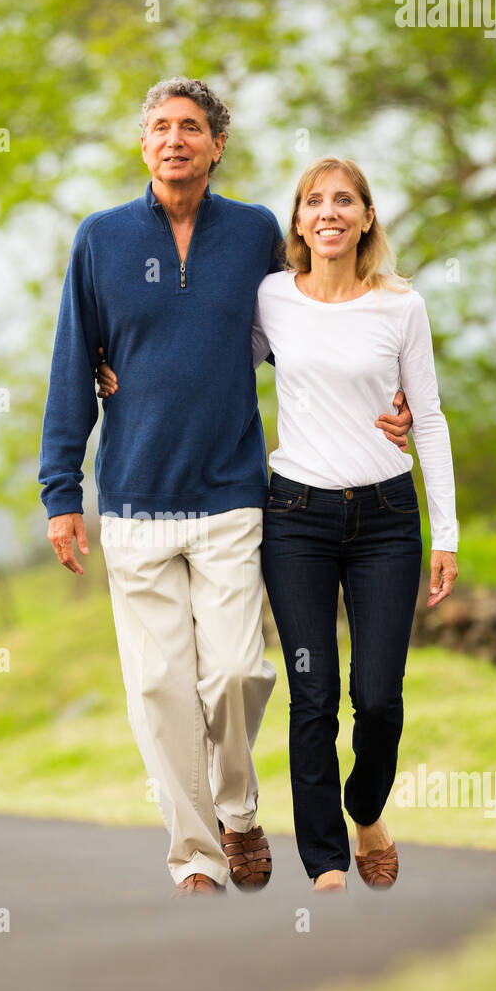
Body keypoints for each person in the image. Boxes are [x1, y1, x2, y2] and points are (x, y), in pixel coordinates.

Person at [39, 77, 413, 899]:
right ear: (144, 144)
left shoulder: (251, 235)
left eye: (192, 128)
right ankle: (199, 853)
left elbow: (310, 324)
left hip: (233, 497)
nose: (175, 139)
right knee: (159, 688)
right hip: (133, 501)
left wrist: (387, 399)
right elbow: (74, 362)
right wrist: (61, 490)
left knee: (240, 673)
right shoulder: (100, 240)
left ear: (217, 146)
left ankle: (241, 811)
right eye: (161, 127)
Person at [253, 157, 458, 892]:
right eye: (315, 202)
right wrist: (111, 368)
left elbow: (426, 419)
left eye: (345, 201)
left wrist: (448, 532)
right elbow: (211, 365)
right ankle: (326, 863)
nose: (329, 212)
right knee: (311, 694)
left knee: (377, 698)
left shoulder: (400, 306)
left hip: (386, 520)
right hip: (296, 517)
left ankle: (365, 808)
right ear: (299, 221)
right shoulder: (271, 298)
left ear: (367, 217)